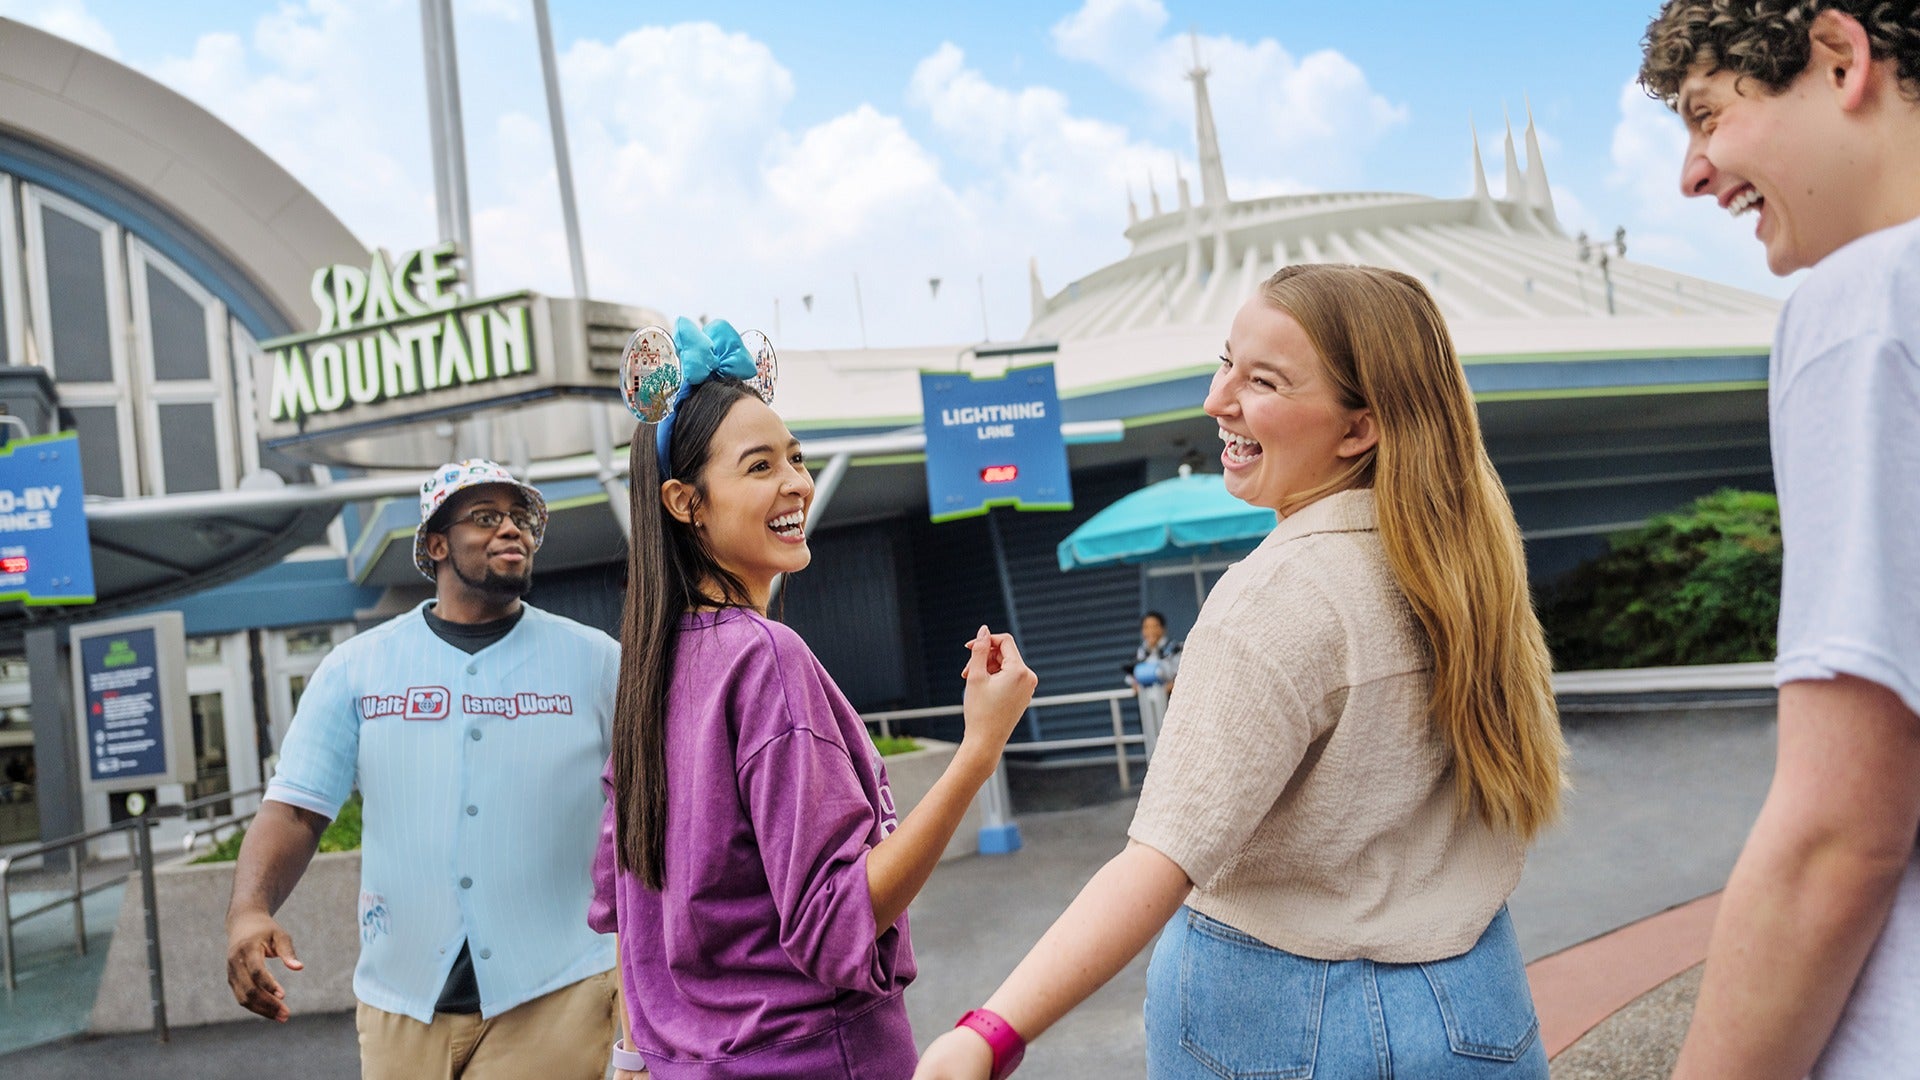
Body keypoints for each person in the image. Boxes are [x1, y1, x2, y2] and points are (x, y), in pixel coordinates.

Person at [915, 264, 1566, 1080]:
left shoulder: (1275, 595)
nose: (1216, 399)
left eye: (1262, 380)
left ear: (1358, 428)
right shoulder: (1469, 577)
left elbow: (1158, 861)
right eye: (1227, 361)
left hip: (1274, 1018)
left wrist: (987, 1034)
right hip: (1478, 999)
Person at [591, 317, 1037, 1079]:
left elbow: (623, 908)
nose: (796, 481)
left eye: (796, 458)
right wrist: (978, 749)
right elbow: (836, 922)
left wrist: (632, 1060)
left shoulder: (652, 671)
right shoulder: (763, 656)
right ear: (684, 501)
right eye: (759, 465)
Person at [1638, 5, 1920, 1077]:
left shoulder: (1869, 305)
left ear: (1843, 60)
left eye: (1707, 117)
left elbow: (1837, 837)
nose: (1693, 176)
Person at [224, 459, 620, 1080]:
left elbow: (661, 802)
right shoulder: (356, 668)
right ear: (436, 544)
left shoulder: (597, 662)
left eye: (521, 519)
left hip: (561, 992)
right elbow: (297, 809)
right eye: (485, 518)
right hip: (400, 1007)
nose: (510, 530)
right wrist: (249, 910)